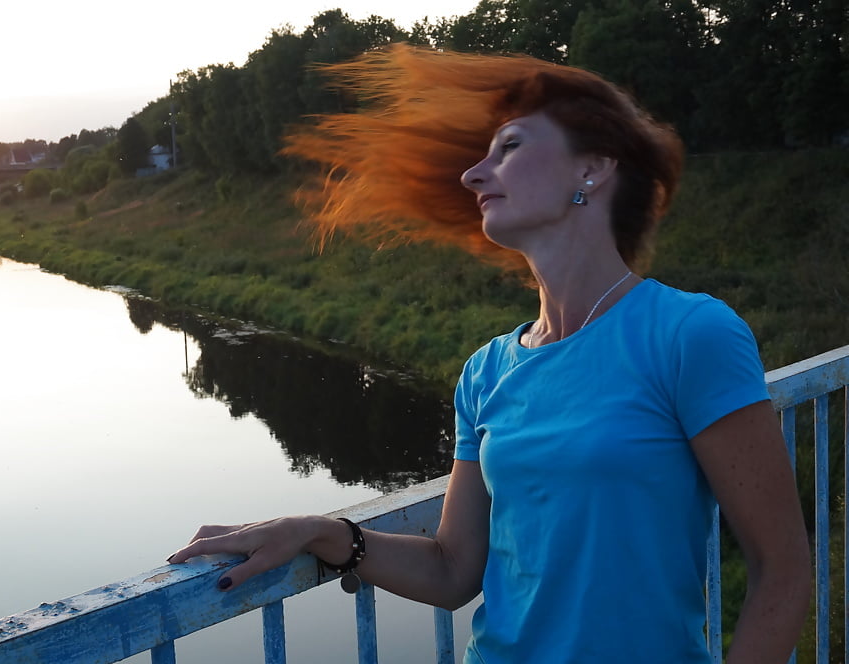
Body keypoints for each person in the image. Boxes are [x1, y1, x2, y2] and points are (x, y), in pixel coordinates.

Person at [166, 45, 811, 663]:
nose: (474, 173)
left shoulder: (689, 335)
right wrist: (322, 532)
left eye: (510, 147)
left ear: (593, 166)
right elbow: (453, 569)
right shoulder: (486, 372)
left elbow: (782, 570)